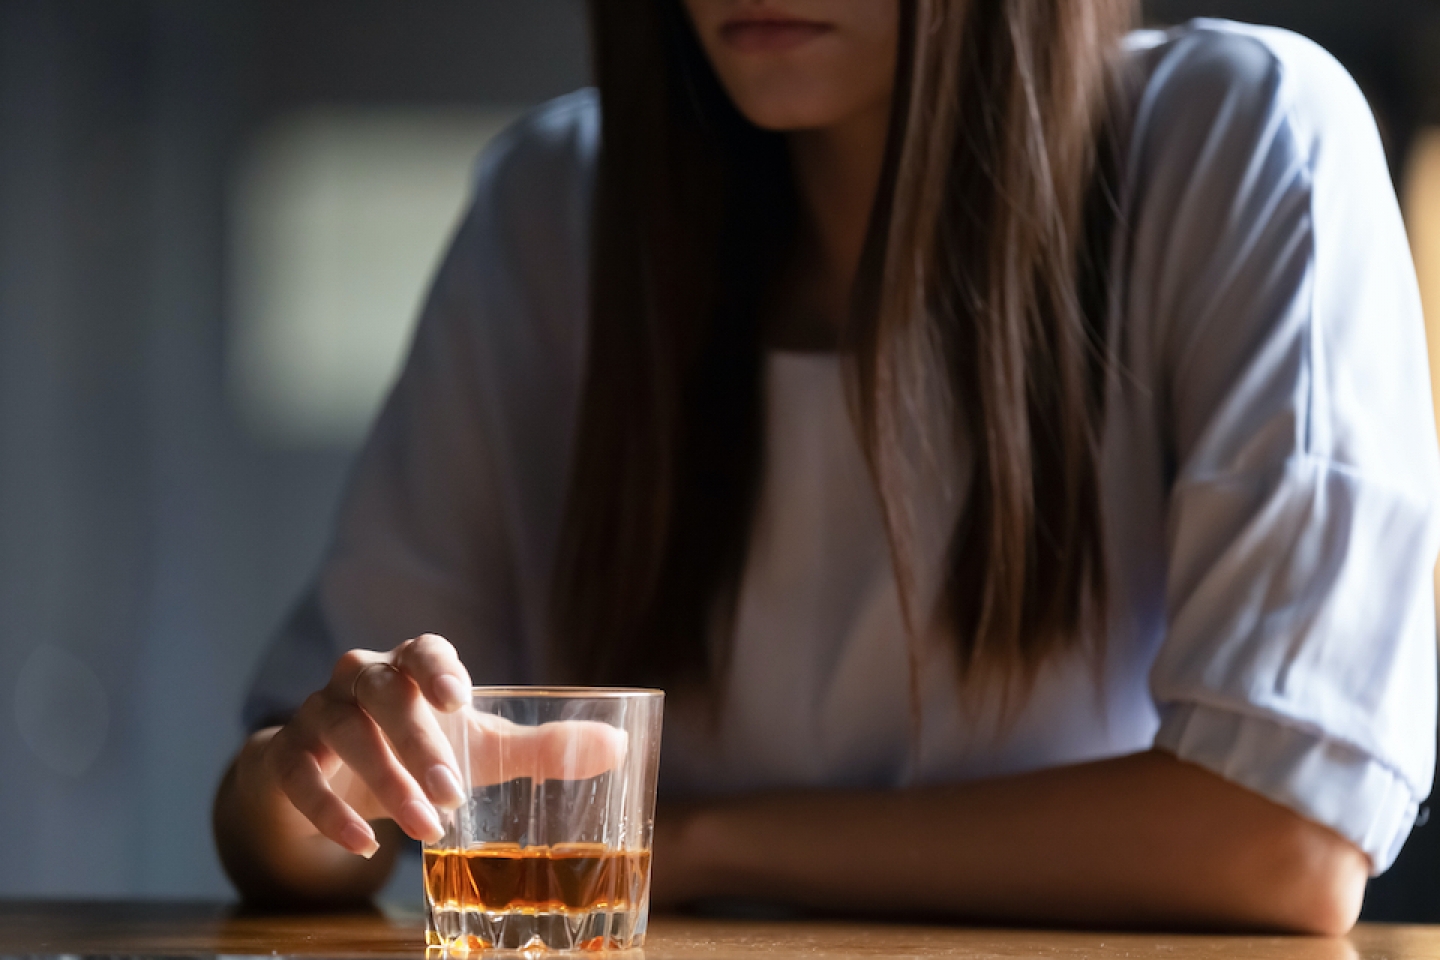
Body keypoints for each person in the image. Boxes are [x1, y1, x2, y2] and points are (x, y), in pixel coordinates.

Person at [211, 0, 1440, 935]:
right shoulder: (551, 210)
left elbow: (1284, 840)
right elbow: (306, 833)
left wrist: (684, 847)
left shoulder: (1245, 135)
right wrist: (307, 770)